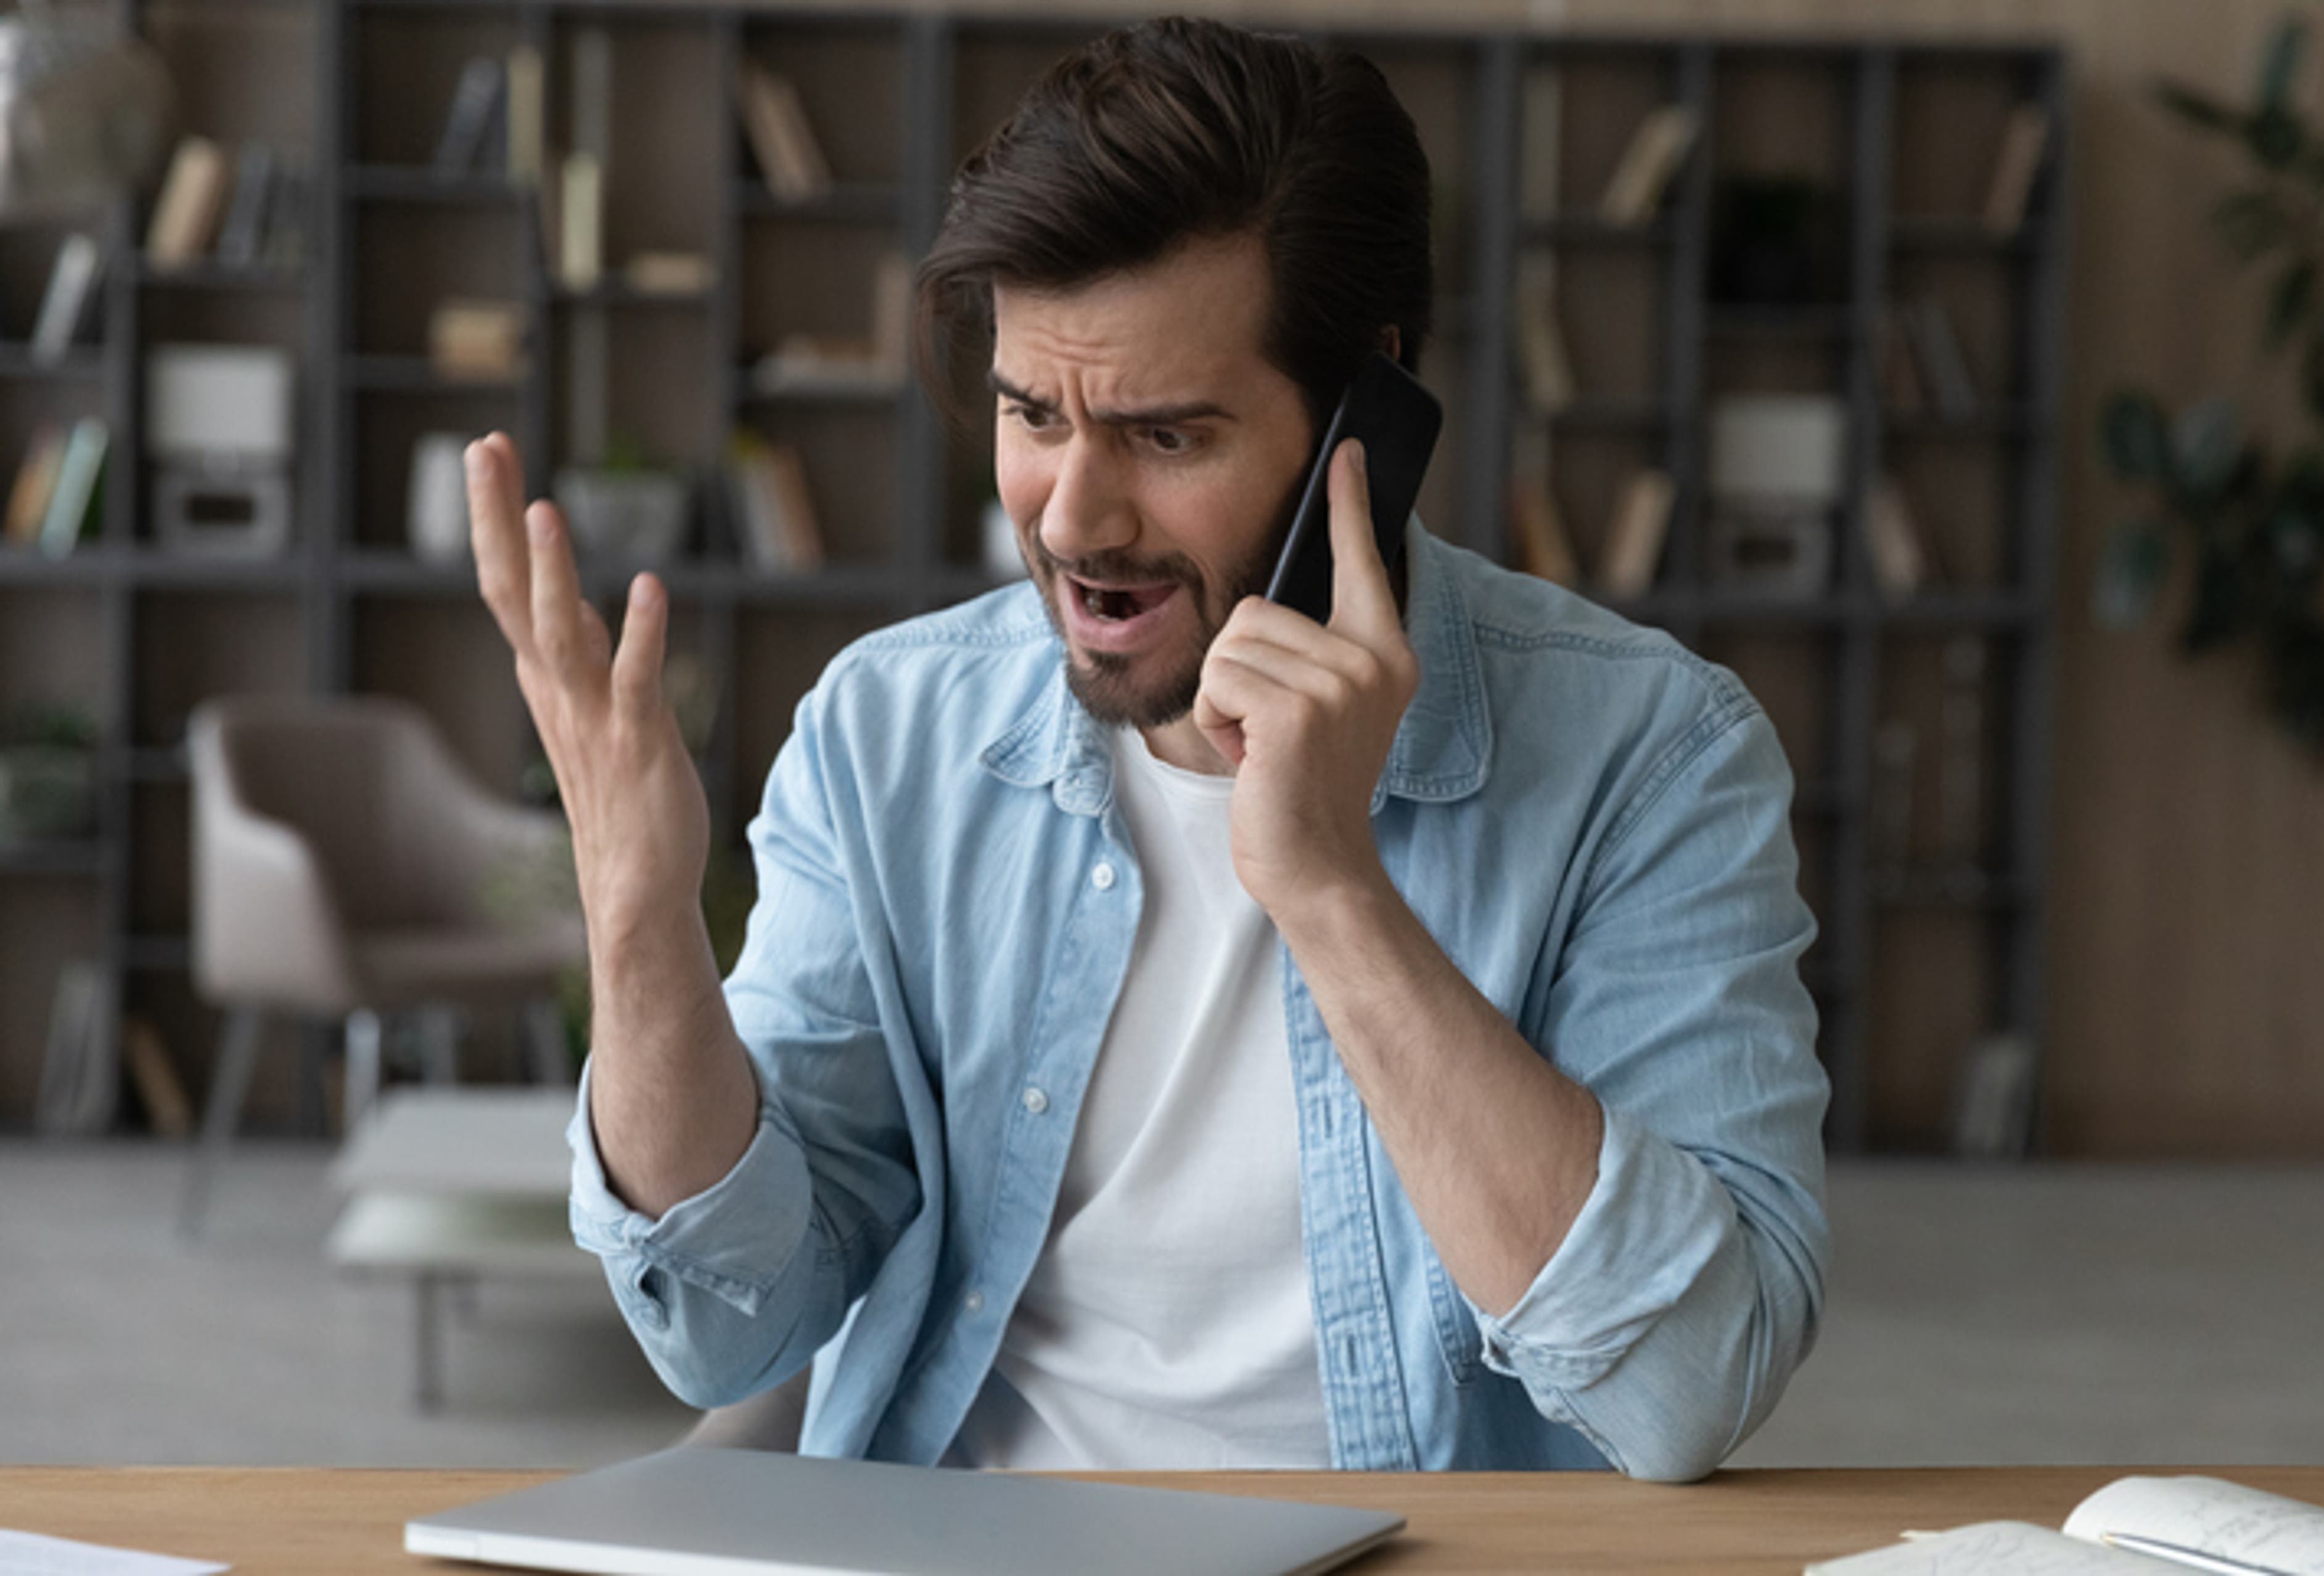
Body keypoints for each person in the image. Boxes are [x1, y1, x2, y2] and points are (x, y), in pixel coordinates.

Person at [463, 17, 1828, 1480]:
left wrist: (1330, 888)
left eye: (1169, 438)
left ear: (1367, 415)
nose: (1070, 520)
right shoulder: (891, 737)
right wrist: (639, 927)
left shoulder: (1652, 758)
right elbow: (728, 1332)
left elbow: (1688, 1389)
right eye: (1030, 415)